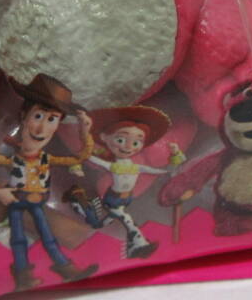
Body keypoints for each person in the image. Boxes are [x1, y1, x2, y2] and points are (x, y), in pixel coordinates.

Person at [0, 74, 99, 291]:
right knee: (18, 239)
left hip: (38, 202)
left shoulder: (46, 159)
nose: (41, 129)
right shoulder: (11, 159)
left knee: (48, 237)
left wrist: (85, 131)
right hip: (16, 203)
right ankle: (22, 275)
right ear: (24, 116)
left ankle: (65, 268)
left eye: (51, 120)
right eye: (38, 116)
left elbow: (81, 157)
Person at [67, 106, 183, 258]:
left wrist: (175, 156)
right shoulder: (112, 166)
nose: (128, 147)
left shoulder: (137, 167)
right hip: (113, 199)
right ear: (104, 138)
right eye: (121, 140)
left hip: (127, 198)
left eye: (136, 143)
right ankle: (139, 245)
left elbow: (160, 171)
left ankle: (82, 206)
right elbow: (91, 158)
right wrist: (80, 155)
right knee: (127, 219)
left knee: (100, 223)